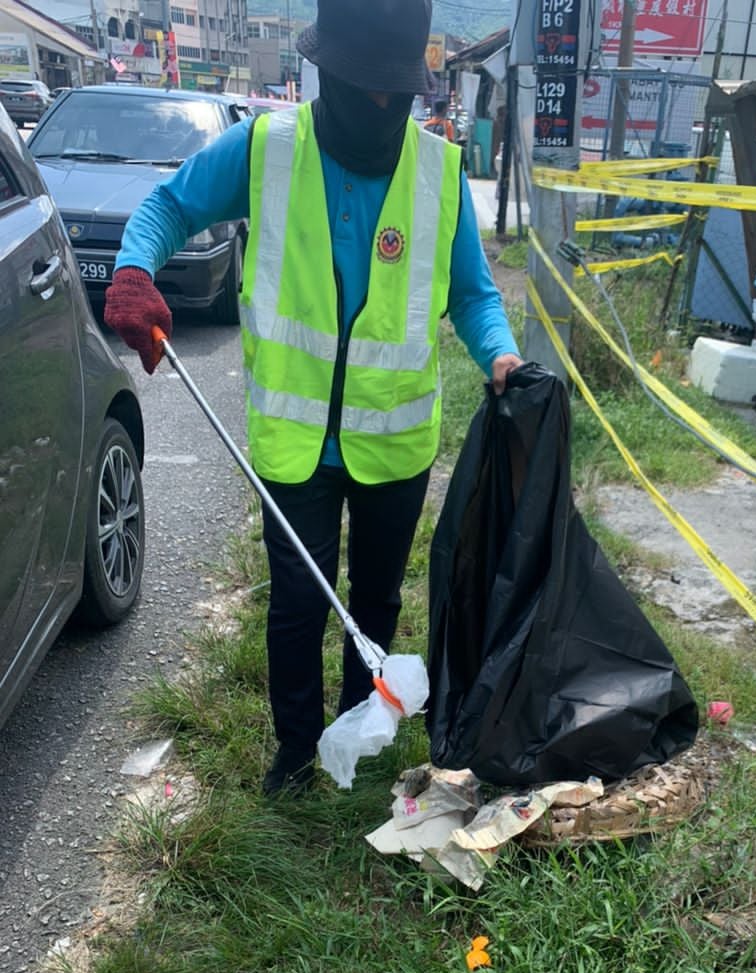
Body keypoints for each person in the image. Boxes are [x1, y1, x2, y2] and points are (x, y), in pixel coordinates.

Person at [104, 0, 523, 797]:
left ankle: (356, 736)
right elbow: (169, 207)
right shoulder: (268, 148)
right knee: (298, 602)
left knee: (375, 599)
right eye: (364, 86)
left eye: (393, 90)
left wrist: (500, 353)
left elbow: (472, 294)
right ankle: (296, 754)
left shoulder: (437, 174)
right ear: (326, 71)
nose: (379, 104)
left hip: (394, 441)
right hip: (294, 440)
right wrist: (133, 270)